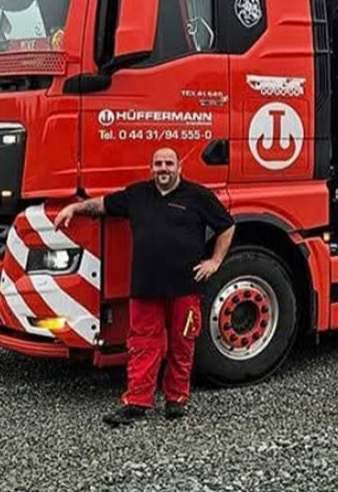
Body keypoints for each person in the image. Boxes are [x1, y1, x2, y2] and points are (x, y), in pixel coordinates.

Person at [56, 147, 234, 426]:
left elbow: (226, 225)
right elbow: (100, 205)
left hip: (185, 288)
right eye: (158, 164)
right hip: (145, 287)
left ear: (179, 168)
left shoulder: (198, 196)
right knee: (143, 346)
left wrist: (215, 261)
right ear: (151, 168)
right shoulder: (137, 194)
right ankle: (137, 403)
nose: (164, 168)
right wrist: (73, 208)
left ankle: (176, 400)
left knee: (182, 344)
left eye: (169, 163)